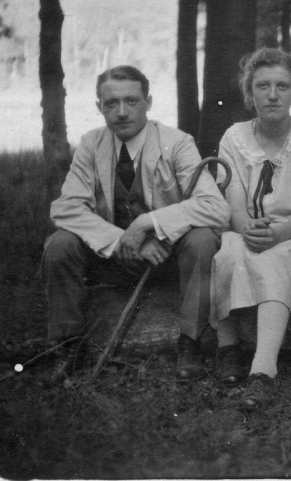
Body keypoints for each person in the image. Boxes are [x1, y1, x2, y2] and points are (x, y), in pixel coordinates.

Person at [43, 65, 229, 381]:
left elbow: (214, 207)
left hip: (170, 257)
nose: (121, 112)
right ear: (98, 107)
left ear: (149, 102)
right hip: (117, 258)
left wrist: (148, 222)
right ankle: (69, 346)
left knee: (203, 240)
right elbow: (66, 208)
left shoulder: (177, 142)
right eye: (110, 103)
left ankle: (191, 341)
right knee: (59, 244)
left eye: (131, 101)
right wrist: (124, 240)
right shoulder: (92, 144)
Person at [210, 48, 291, 411]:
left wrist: (277, 235)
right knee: (229, 252)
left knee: (277, 257)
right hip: (247, 229)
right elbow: (235, 206)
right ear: (248, 92)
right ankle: (228, 349)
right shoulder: (234, 137)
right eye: (263, 86)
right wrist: (248, 227)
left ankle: (262, 373)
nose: (272, 94)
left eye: (282, 86)